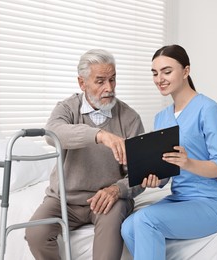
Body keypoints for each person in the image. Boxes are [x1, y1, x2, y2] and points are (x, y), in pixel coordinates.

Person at [121, 44, 217, 259]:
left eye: (167, 71)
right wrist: (154, 179)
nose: (160, 79)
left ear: (186, 71)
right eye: (155, 73)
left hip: (213, 202)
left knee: (145, 220)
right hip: (180, 198)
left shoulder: (208, 109)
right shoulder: (161, 118)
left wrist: (188, 163)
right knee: (128, 227)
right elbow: (165, 174)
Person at [25, 49, 145, 260]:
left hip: (107, 199)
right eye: (100, 81)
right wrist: (99, 135)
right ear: (82, 83)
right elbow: (53, 134)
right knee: (35, 233)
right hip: (64, 200)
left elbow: (141, 172)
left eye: (112, 79)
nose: (109, 88)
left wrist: (117, 190)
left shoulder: (130, 118)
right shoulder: (67, 108)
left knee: (107, 253)